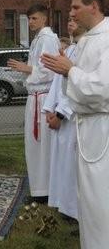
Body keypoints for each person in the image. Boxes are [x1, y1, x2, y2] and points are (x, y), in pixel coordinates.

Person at [41, 0, 109, 249]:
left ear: (93, 6)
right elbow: (75, 90)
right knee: (89, 202)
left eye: (75, 7)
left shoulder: (105, 40)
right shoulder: (88, 40)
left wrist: (71, 72)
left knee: (101, 199)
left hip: (101, 128)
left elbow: (103, 89)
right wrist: (67, 72)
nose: (70, 13)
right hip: (87, 126)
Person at [7, 3, 59, 201]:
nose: (30, 22)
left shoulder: (47, 39)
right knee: (34, 145)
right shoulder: (38, 39)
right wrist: (25, 70)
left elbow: (49, 70)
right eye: (29, 19)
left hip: (44, 98)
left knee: (44, 146)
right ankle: (39, 189)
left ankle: (46, 191)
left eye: (34, 18)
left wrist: (27, 69)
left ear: (44, 19)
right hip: (34, 98)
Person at [43, 18, 85, 220]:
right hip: (60, 113)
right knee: (62, 164)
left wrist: (61, 113)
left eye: (74, 18)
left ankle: (77, 211)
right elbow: (58, 83)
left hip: (73, 117)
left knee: (73, 166)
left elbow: (77, 87)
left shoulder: (86, 50)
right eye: (68, 18)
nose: (70, 22)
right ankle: (66, 206)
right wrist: (50, 108)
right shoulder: (69, 50)